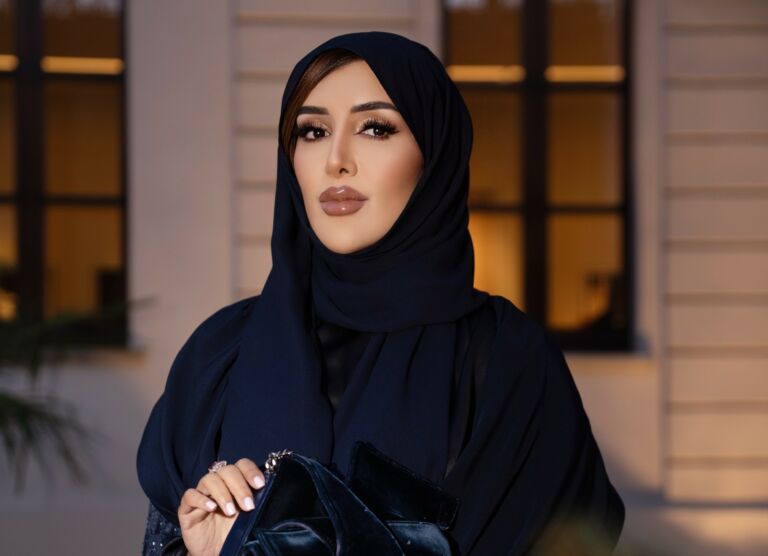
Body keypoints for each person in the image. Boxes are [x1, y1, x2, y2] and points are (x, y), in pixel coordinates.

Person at [137, 31, 625, 556]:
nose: (336, 161)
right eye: (313, 131)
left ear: (433, 154)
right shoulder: (217, 357)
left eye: (375, 128)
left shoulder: (508, 363)